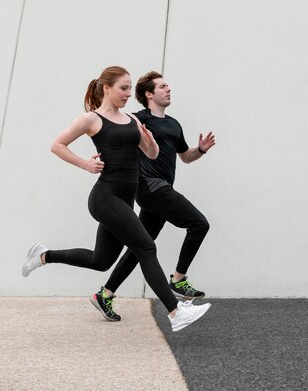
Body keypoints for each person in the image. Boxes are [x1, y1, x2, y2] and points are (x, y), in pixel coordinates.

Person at [22, 66, 210, 332]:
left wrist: (150, 141)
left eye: (129, 88)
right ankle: (175, 312)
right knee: (146, 247)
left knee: (101, 261)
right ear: (106, 88)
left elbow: (152, 154)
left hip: (125, 198)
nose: (127, 94)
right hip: (105, 196)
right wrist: (85, 165)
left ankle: (43, 255)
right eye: (123, 88)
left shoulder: (132, 119)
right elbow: (57, 145)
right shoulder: (91, 119)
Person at [94, 71, 215, 321]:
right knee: (199, 223)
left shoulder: (173, 124)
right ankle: (179, 279)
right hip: (149, 187)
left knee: (141, 247)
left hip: (160, 190)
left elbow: (185, 157)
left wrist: (201, 150)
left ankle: (104, 294)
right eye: (162, 87)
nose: (168, 89)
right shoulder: (136, 119)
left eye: (168, 86)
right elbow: (111, 129)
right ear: (149, 94)